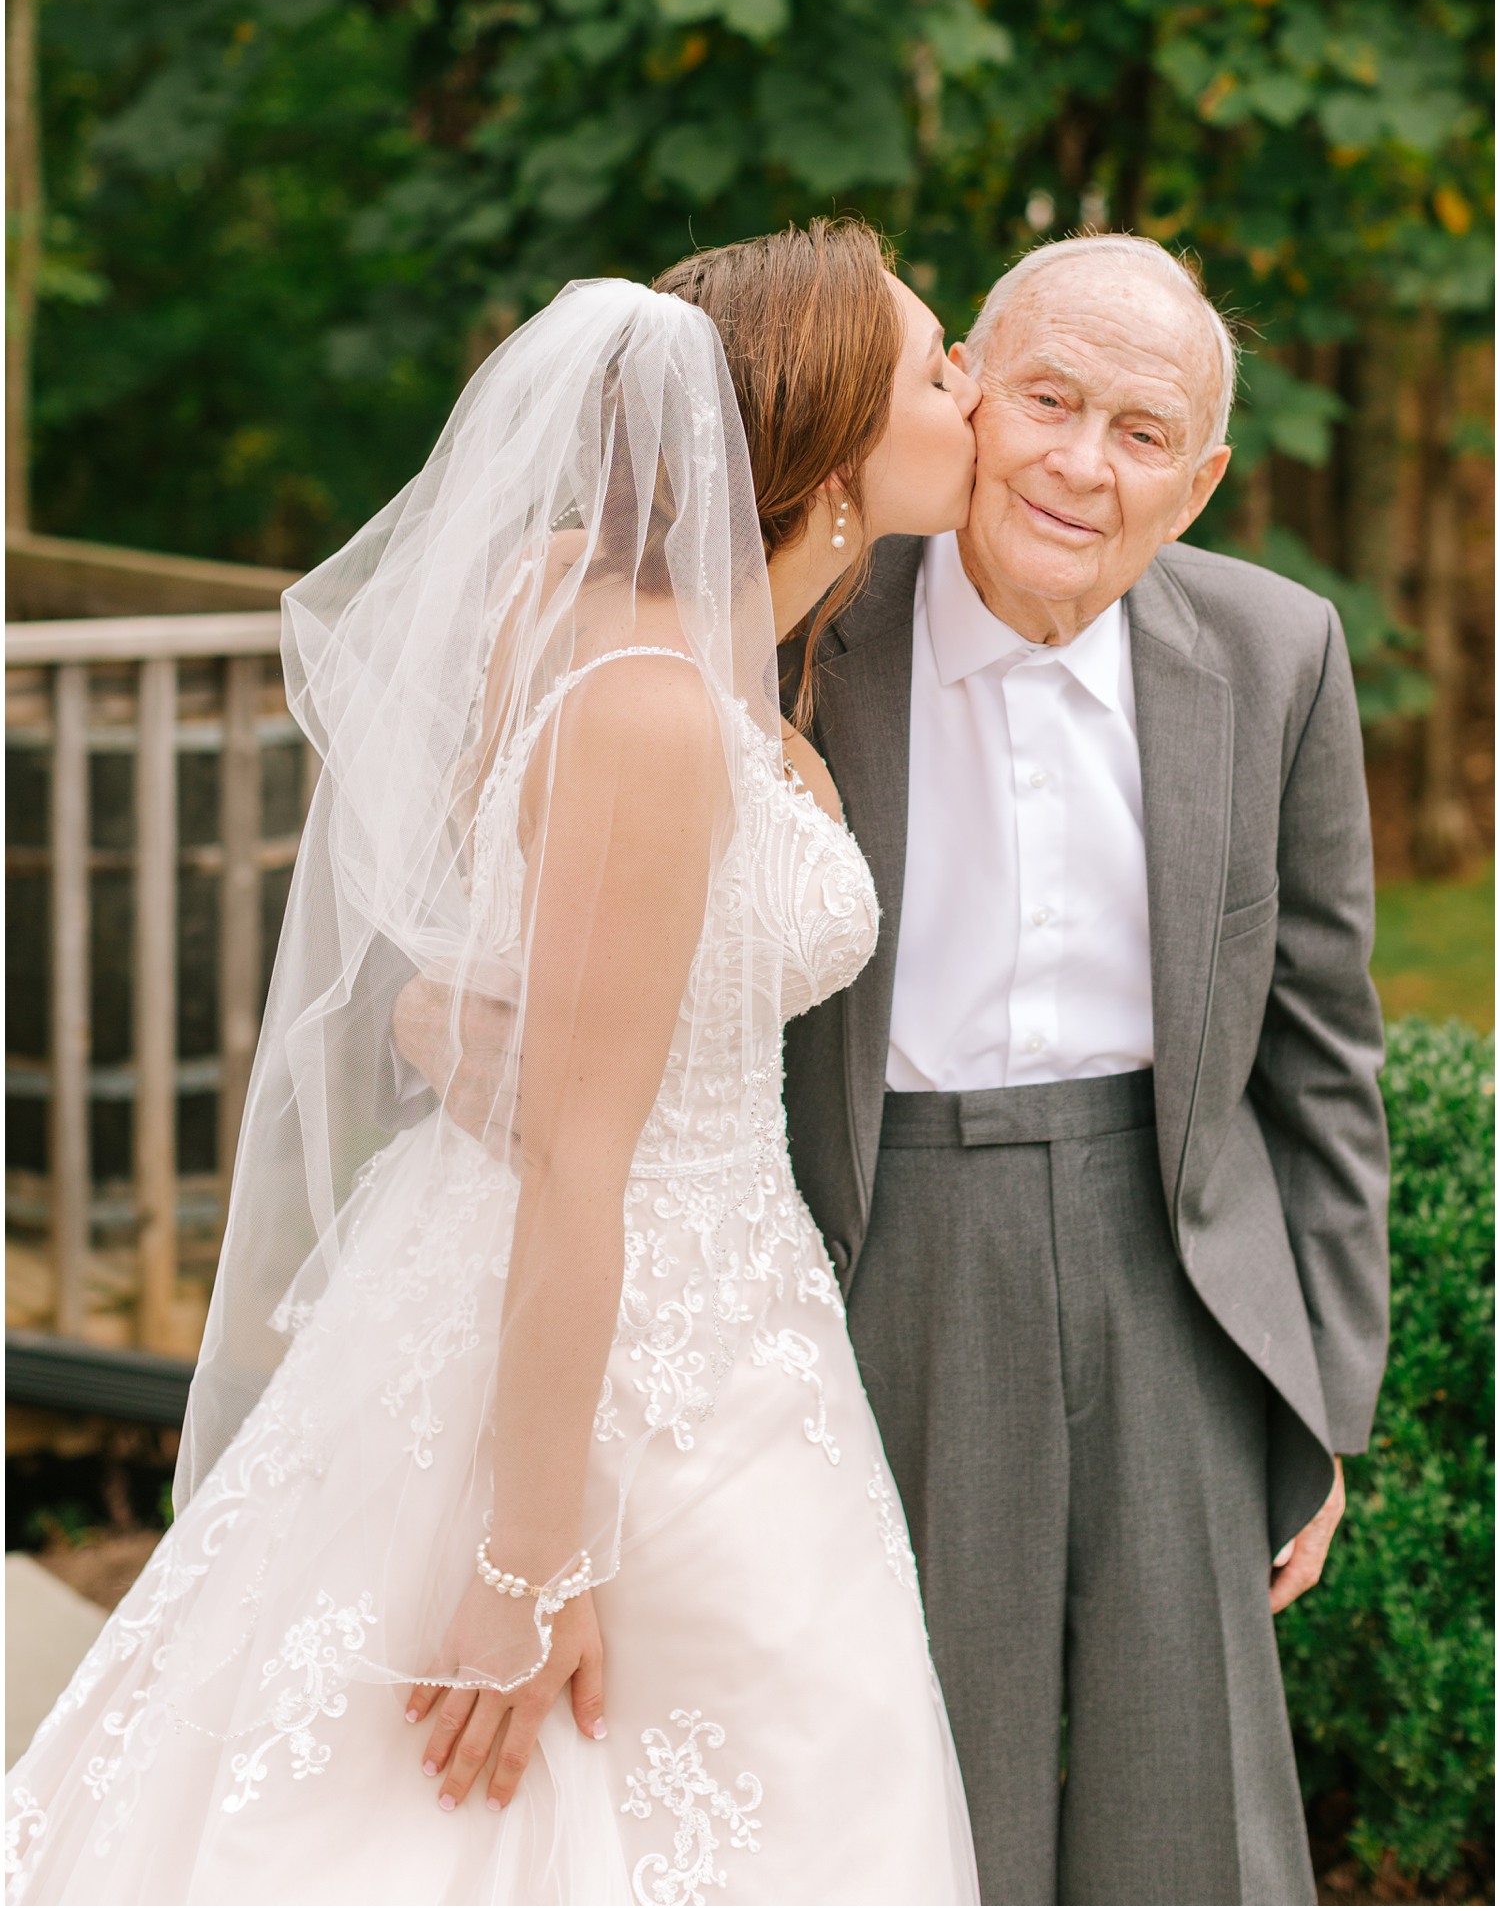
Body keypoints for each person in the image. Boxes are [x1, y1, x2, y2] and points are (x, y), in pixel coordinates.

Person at [5, 223, 984, 1907]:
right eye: (935, 365)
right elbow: (575, 1158)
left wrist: (440, 1012)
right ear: (830, 450)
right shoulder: (651, 700)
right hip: (615, 1330)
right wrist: (527, 1557)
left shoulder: (611, 615)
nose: (968, 391)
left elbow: (485, 959)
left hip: (718, 1305)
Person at [782, 232, 1390, 1907]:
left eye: (1139, 432)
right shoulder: (816, 630)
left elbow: (1326, 1057)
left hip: (1172, 1258)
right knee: (911, 1760)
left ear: (1195, 484)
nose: (1078, 462)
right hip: (885, 1233)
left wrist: (1321, 1396)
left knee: (1190, 1788)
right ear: (969, 397)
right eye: (1049, 398)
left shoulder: (1281, 656)